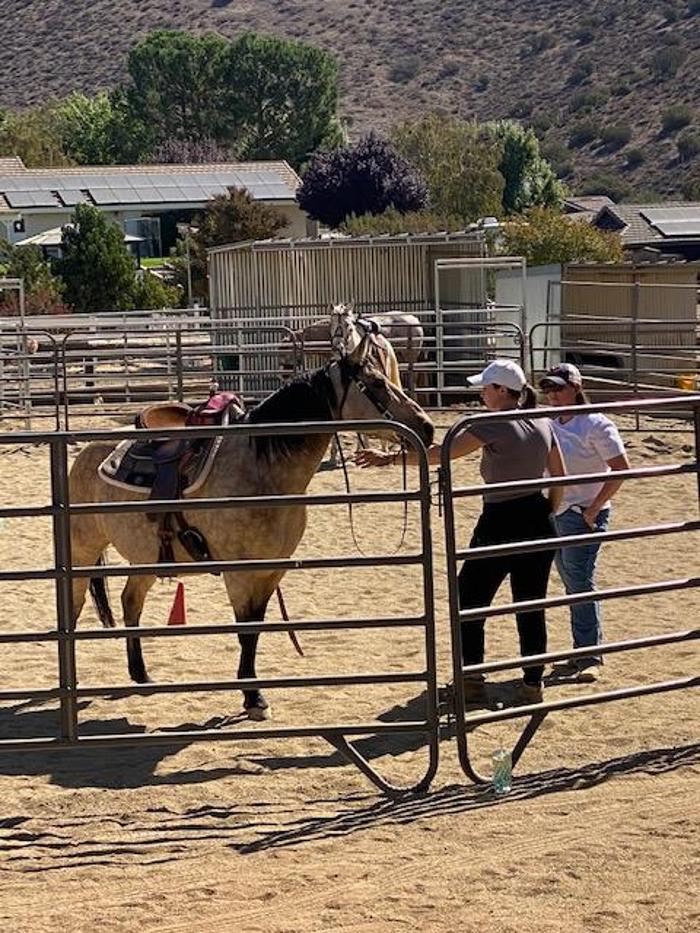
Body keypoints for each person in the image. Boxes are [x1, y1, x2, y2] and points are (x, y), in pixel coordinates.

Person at [357, 359, 565, 704]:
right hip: (538, 518)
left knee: (468, 599)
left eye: (485, 387)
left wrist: (390, 458)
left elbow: (439, 455)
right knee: (530, 603)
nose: (481, 393)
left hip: (500, 519)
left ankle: (471, 680)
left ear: (501, 390)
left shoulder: (491, 424)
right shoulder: (540, 419)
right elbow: (559, 474)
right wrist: (548, 511)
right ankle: (532, 683)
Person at [539, 363, 629, 683]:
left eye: (558, 389)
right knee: (572, 581)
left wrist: (593, 508)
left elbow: (620, 468)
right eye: (548, 389)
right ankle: (583, 651)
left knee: (578, 581)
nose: (552, 395)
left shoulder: (595, 424)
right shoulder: (548, 421)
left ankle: (589, 654)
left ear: (576, 388)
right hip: (558, 510)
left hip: (581, 513)